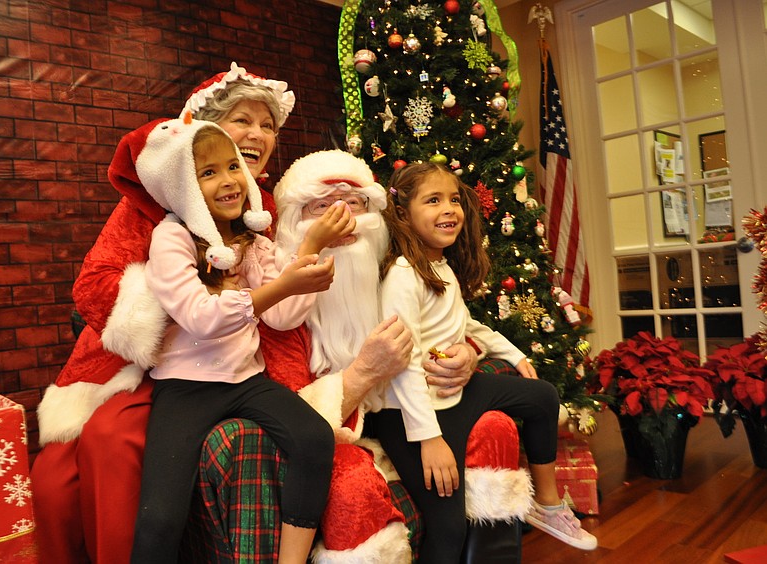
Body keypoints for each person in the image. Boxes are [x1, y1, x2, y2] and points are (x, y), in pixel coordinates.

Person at [31, 62, 297, 563]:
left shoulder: (263, 209)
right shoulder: (150, 203)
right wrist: (183, 296)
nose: (258, 135)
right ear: (207, 130)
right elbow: (92, 287)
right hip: (142, 361)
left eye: (268, 126)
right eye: (244, 120)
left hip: (218, 367)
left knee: (111, 444)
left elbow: (281, 303)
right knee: (51, 481)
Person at [254, 150, 535, 561]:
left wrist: (466, 351)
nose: (341, 220)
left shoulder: (388, 272)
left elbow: (442, 321)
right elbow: (289, 419)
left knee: (495, 427)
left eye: (353, 204)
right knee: (354, 486)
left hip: (402, 414)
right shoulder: (283, 306)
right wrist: (364, 373)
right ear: (297, 222)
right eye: (322, 206)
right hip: (342, 437)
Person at [127, 118, 350, 563]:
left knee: (314, 439)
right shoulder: (172, 238)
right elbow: (200, 317)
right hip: (186, 387)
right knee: (160, 518)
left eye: (233, 167)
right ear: (184, 186)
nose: (229, 181)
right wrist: (282, 288)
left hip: (248, 380)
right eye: (208, 173)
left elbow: (284, 316)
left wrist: (309, 251)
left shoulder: (254, 242)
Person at [367, 161, 598, 562]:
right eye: (433, 200)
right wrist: (429, 438)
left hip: (452, 394)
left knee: (542, 396)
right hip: (410, 416)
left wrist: (515, 353)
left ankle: (547, 504)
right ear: (402, 214)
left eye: (454, 200)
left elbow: (464, 323)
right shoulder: (403, 276)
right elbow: (401, 363)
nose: (449, 209)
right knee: (449, 527)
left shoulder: (439, 265)